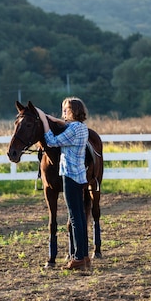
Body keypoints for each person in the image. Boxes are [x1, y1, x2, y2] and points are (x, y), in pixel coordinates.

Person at [35, 97, 90, 270]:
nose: (63, 112)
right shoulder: (81, 127)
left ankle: (79, 258)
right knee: (80, 216)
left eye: (66, 109)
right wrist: (52, 119)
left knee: (75, 218)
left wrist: (44, 121)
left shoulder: (72, 129)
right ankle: (84, 255)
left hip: (69, 176)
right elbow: (63, 124)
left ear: (73, 110)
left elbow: (51, 141)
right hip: (79, 175)